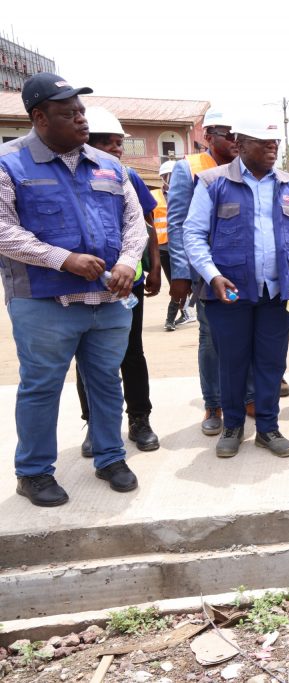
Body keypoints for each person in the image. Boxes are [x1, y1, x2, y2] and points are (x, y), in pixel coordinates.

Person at [1, 73, 147, 506]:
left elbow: (134, 222)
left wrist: (127, 262)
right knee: (41, 387)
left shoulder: (110, 165)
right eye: (69, 114)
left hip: (108, 300)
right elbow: (3, 230)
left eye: (81, 111)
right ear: (40, 118)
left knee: (106, 382)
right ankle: (33, 473)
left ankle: (110, 457)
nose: (82, 120)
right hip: (43, 301)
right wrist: (63, 259)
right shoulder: (9, 163)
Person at [183, 113, 289, 458]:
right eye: (264, 144)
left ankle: (268, 428)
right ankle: (232, 426)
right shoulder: (213, 182)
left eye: (275, 144)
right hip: (229, 293)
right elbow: (193, 234)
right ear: (242, 145)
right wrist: (212, 275)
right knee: (232, 362)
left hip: (277, 293)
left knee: (271, 363)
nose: (272, 149)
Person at [75, 106, 161, 454]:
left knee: (131, 353)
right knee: (87, 358)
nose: (116, 149)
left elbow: (147, 224)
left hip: (128, 284)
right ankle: (94, 424)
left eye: (119, 143)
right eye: (107, 142)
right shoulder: (69, 176)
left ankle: (139, 419)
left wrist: (155, 266)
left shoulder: (128, 176)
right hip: (82, 283)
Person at [166, 107, 239, 436]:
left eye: (238, 134)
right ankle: (214, 403)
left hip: (242, 267)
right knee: (211, 338)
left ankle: (246, 396)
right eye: (228, 134)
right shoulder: (189, 168)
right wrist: (181, 273)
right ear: (208, 136)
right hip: (206, 272)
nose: (235, 140)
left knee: (243, 334)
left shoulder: (245, 166)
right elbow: (178, 223)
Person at [153, 159, 181, 331]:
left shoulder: (185, 193)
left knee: (184, 282)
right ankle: (173, 317)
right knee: (174, 283)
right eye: (166, 175)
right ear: (161, 177)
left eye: (173, 175)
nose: (170, 178)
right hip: (162, 247)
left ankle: (176, 317)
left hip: (181, 246)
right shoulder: (153, 195)